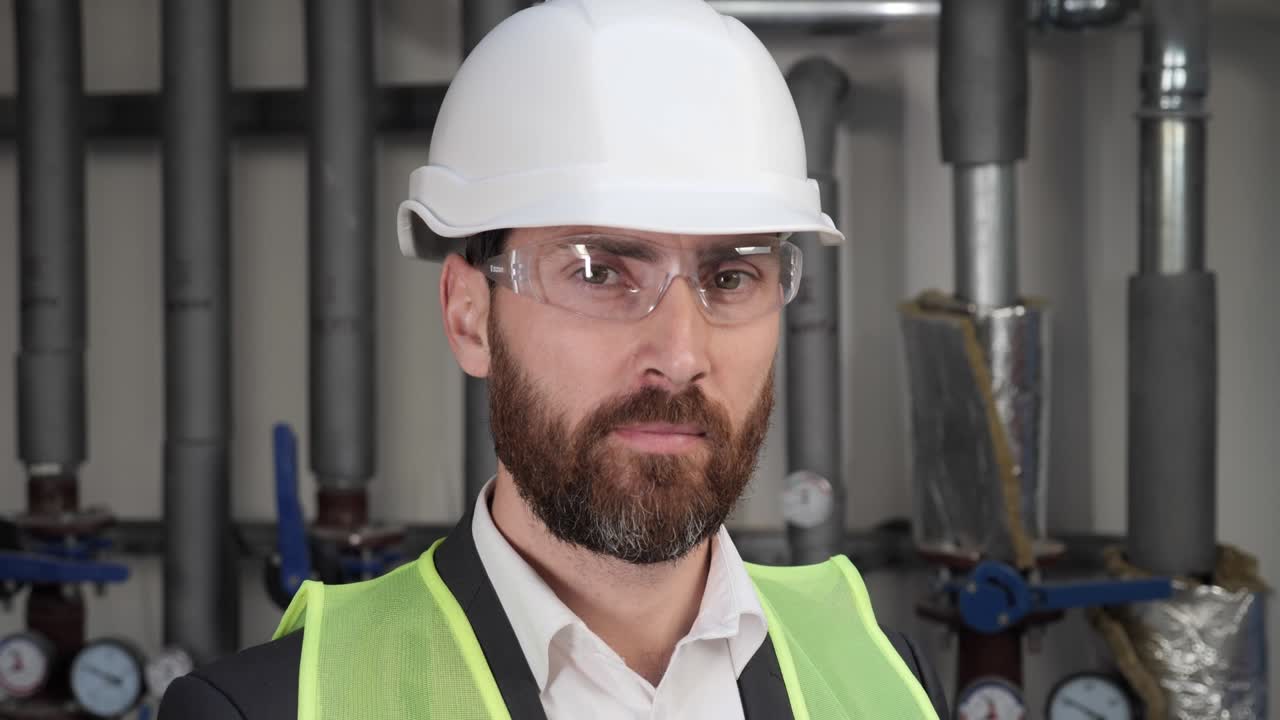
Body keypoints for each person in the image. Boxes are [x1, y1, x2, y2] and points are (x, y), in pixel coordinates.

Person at [159, 1, 949, 717]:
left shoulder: (885, 679)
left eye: (732, 275)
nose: (679, 355)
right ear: (469, 318)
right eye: (599, 273)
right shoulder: (274, 708)